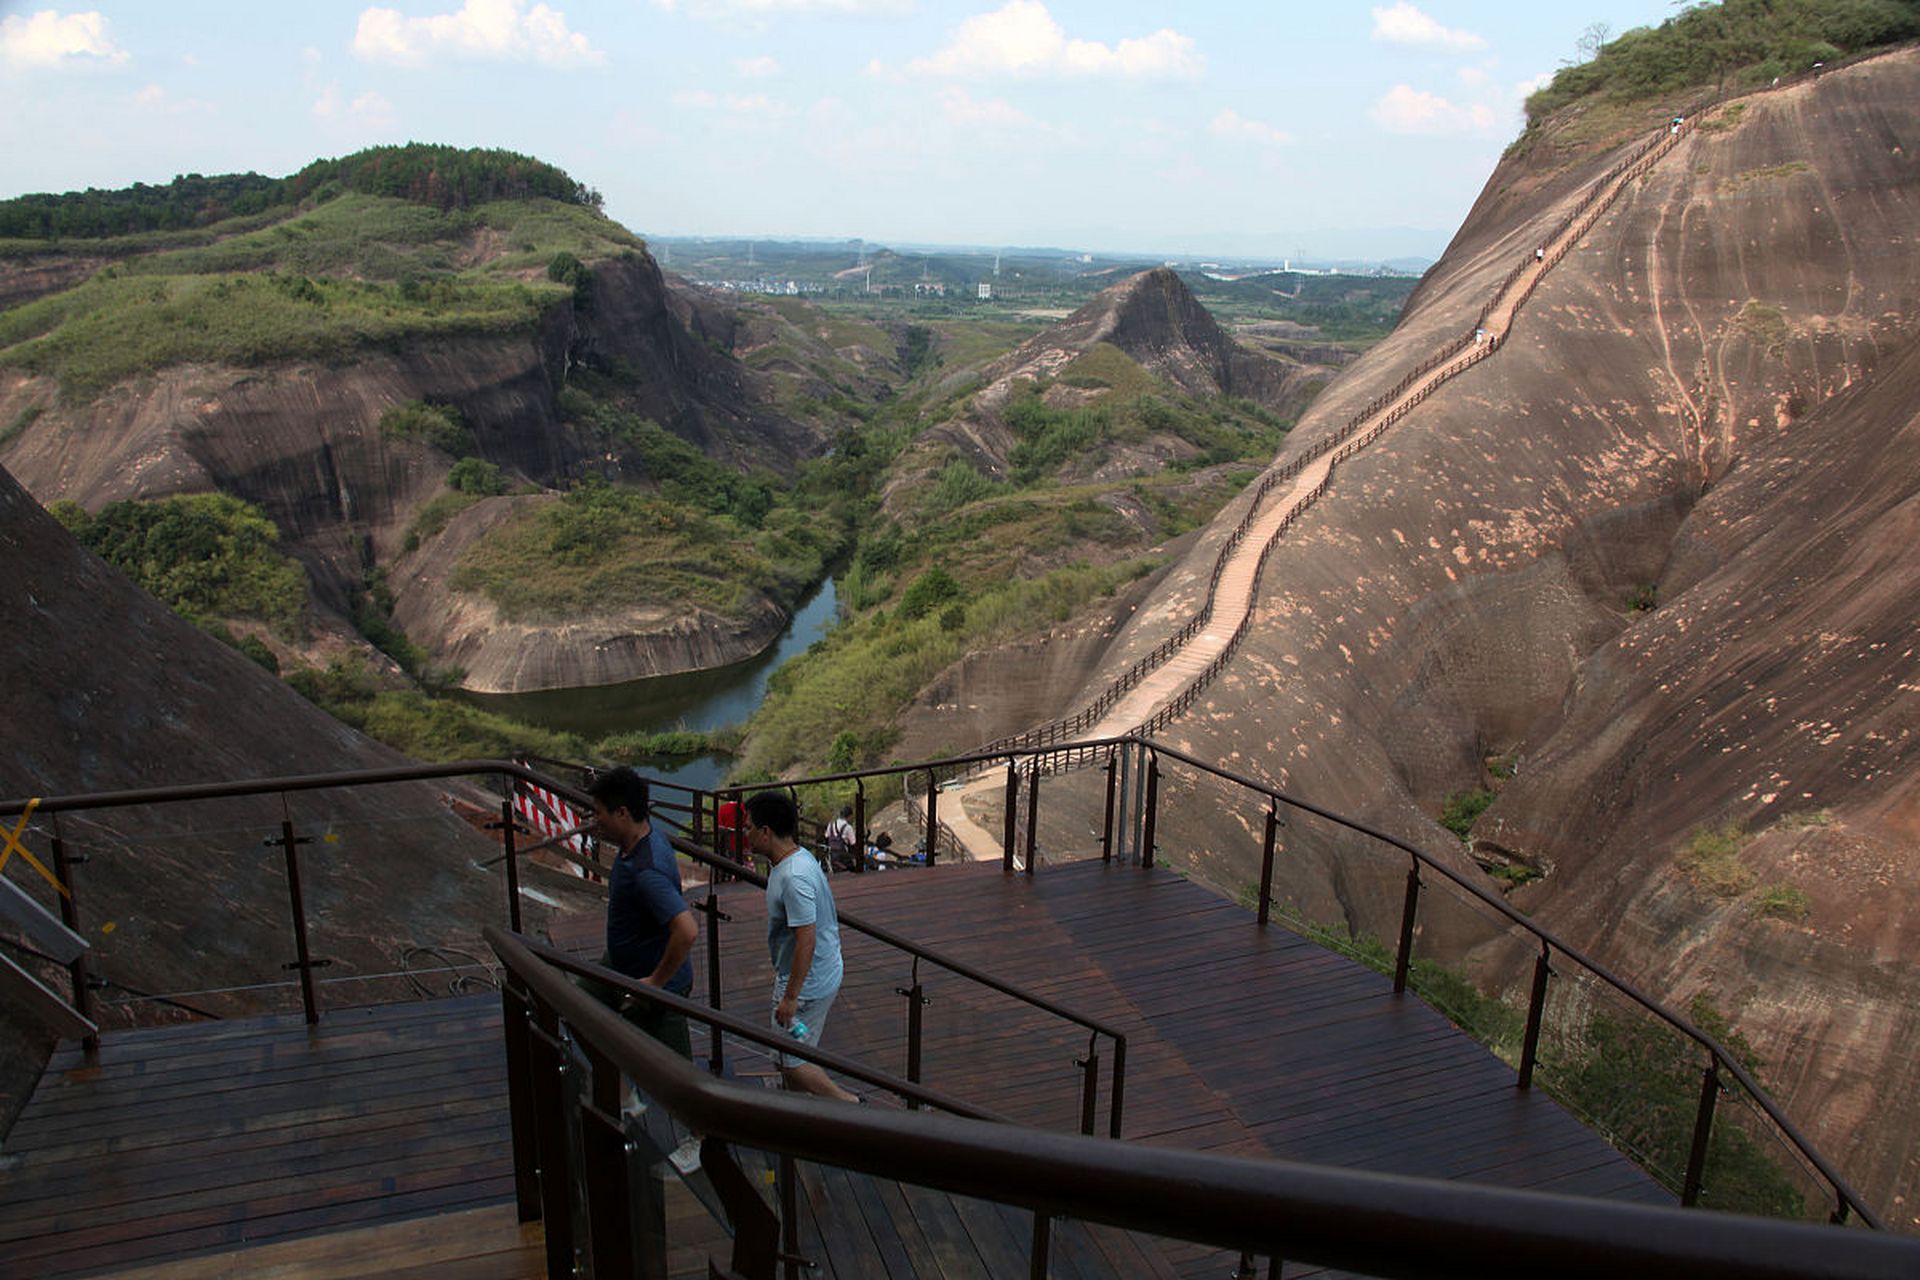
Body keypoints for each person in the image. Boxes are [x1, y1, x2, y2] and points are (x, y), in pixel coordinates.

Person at [588, 767, 703, 1170]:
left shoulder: (646, 869)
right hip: (621, 967)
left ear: (622, 813)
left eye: (598, 812)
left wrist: (654, 983)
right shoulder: (637, 843)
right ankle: (626, 1098)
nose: (593, 820)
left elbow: (687, 931)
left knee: (679, 1079)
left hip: (659, 988)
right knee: (581, 1009)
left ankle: (702, 1139)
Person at [745, 790, 861, 1102]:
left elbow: (805, 939)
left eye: (749, 828)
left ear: (766, 832)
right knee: (792, 1054)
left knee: (790, 1061)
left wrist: (790, 997)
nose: (746, 834)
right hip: (820, 970)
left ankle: (850, 1104)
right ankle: (799, 1114)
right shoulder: (799, 857)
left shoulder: (794, 877)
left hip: (807, 983)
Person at [824, 805, 858, 873]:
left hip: (832, 856)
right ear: (850, 816)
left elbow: (826, 836)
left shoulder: (830, 824)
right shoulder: (848, 827)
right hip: (844, 856)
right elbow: (853, 843)